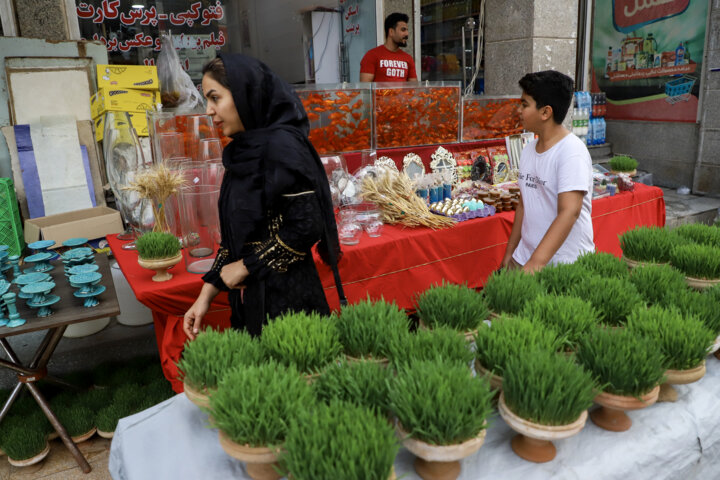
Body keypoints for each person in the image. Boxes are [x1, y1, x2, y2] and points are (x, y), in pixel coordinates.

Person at [183, 53, 346, 340]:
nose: (209, 110)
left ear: (245, 94)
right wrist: (205, 295)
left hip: (289, 303)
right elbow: (239, 238)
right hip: (253, 301)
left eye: (215, 98)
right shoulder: (242, 152)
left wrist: (246, 266)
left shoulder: (282, 148)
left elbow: (306, 225)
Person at [500, 70, 594, 273]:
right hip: (525, 257)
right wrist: (510, 253)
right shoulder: (528, 150)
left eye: (525, 105)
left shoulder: (571, 151)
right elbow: (524, 206)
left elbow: (570, 211)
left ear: (545, 112)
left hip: (562, 266)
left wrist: (535, 264)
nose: (519, 110)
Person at [360, 12, 417, 82]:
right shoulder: (371, 55)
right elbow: (365, 89)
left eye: (407, 30)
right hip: (380, 93)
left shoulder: (408, 58)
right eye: (403, 30)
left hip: (403, 93)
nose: (407, 34)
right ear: (391, 32)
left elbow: (414, 88)